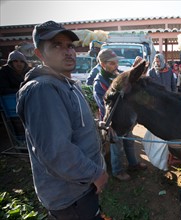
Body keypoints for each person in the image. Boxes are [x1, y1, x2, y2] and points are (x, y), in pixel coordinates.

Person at [16, 20, 108, 219]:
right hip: (70, 197)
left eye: (69, 46)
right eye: (56, 45)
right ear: (39, 53)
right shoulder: (43, 89)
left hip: (80, 187)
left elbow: (72, 124)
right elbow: (57, 151)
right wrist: (96, 174)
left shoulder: (65, 84)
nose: (68, 52)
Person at [93, 48, 147, 181]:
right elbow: (104, 105)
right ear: (103, 64)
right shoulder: (99, 83)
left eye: (116, 62)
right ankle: (117, 171)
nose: (116, 66)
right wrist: (109, 124)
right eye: (112, 63)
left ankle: (133, 164)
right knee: (116, 146)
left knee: (129, 142)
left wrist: (135, 69)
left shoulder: (117, 75)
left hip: (125, 118)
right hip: (113, 121)